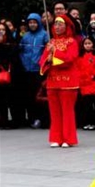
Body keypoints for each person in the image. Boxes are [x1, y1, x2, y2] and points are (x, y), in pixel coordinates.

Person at [39, 14, 79, 148]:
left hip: (68, 82)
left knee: (67, 111)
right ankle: (56, 137)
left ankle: (68, 139)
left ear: (67, 26)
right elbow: (42, 61)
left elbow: (70, 59)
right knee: (54, 112)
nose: (57, 26)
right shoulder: (50, 43)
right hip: (52, 82)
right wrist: (48, 59)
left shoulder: (72, 42)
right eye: (55, 24)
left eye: (60, 24)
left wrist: (55, 53)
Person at [19, 13, 49, 129]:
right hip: (27, 69)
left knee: (40, 96)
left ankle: (43, 119)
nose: (32, 24)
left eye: (34, 22)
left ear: (38, 23)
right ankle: (33, 118)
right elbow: (21, 50)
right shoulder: (25, 36)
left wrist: (42, 62)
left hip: (39, 69)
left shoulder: (44, 35)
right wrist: (24, 61)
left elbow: (47, 50)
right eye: (30, 22)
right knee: (30, 95)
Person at [78, 36, 95, 130]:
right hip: (84, 83)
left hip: (94, 82)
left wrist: (94, 75)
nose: (87, 45)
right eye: (86, 44)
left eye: (89, 43)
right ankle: (87, 122)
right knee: (86, 105)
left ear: (93, 44)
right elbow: (78, 68)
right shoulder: (80, 55)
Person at [0, 22, 20, 128]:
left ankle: (15, 120)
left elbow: (14, 56)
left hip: (12, 74)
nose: (1, 32)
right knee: (1, 99)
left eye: (3, 29)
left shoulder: (12, 42)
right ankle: (3, 121)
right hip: (0, 74)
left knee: (12, 99)